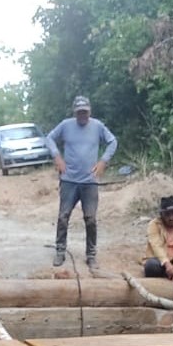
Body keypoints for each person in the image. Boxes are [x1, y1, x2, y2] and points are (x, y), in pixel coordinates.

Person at [44, 95, 118, 269]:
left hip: (89, 181)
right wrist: (57, 157)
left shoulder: (97, 126)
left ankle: (91, 255)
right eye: (79, 112)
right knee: (63, 216)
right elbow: (49, 138)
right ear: (74, 112)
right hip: (69, 180)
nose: (82, 115)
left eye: (85, 112)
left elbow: (113, 141)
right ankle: (60, 251)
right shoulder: (65, 125)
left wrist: (103, 161)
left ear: (89, 111)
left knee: (90, 218)